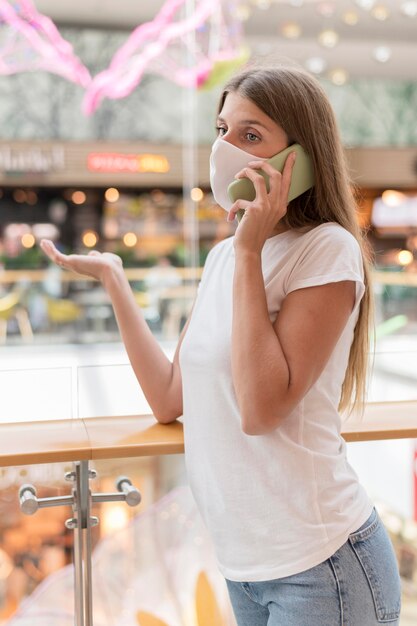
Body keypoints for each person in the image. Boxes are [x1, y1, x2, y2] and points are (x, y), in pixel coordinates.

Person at [40, 63, 401, 625]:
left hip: (321, 565)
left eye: (250, 135)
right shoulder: (224, 259)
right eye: (222, 129)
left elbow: (261, 410)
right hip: (244, 568)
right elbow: (168, 398)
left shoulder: (325, 249)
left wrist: (251, 251)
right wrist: (115, 279)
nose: (226, 147)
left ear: (299, 160)